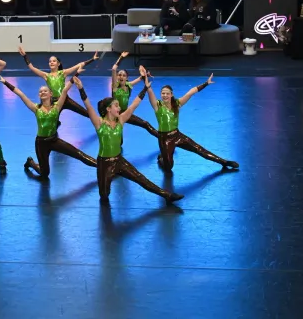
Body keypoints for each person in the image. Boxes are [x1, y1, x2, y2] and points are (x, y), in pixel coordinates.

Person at [71, 74, 183, 205]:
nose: (119, 108)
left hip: (119, 160)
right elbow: (89, 107)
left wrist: (145, 89)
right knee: (104, 195)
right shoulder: (99, 123)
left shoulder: (121, 120)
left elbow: (133, 105)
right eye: (116, 106)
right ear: (108, 109)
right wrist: (81, 89)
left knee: (141, 179)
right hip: (104, 164)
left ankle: (167, 195)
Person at [0, 73, 97, 178]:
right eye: (40, 91)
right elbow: (21, 94)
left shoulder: (57, 106)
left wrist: (75, 77)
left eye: (45, 91)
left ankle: (104, 166)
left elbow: (64, 91)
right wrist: (6, 83)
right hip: (41, 143)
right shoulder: (35, 108)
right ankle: (31, 162)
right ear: (39, 95)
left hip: (54, 140)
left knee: (79, 154)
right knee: (45, 174)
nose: (42, 92)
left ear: (51, 94)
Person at [146, 73, 239, 171]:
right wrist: (147, 87)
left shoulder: (177, 104)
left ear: (171, 94)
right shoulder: (157, 105)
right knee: (169, 167)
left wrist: (206, 83)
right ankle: (162, 159)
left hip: (177, 135)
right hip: (164, 139)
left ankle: (224, 162)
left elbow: (191, 92)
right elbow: (151, 94)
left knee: (199, 149)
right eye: (163, 93)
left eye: (167, 93)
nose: (165, 95)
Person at [18, 45, 97, 118]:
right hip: (55, 103)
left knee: (85, 112)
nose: (51, 62)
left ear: (58, 64)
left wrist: (92, 59)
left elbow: (79, 65)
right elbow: (32, 68)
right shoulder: (46, 76)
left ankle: (99, 121)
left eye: (54, 61)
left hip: (66, 99)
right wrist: (25, 56)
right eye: (50, 61)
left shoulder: (63, 73)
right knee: (52, 121)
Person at [110, 52, 158, 137]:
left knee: (145, 124)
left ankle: (160, 136)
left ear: (126, 78)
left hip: (126, 113)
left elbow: (141, 78)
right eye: (119, 75)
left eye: (124, 75)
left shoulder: (129, 85)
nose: (121, 77)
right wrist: (121, 57)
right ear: (117, 77)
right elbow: (114, 69)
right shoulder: (115, 87)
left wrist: (145, 74)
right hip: (115, 115)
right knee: (118, 139)